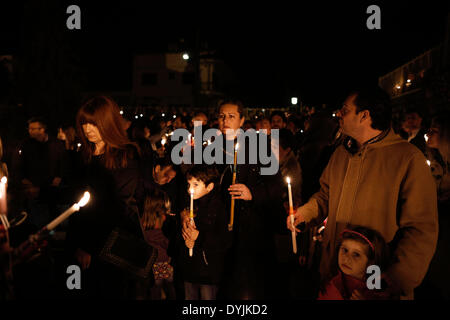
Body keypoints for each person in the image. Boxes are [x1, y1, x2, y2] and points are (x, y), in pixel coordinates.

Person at [288, 86, 438, 299]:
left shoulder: (407, 159)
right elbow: (325, 195)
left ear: (364, 115)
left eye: (345, 110)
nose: (339, 114)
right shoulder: (341, 153)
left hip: (375, 282)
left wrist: (391, 281)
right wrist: (306, 213)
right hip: (334, 274)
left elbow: (420, 230)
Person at [183, 99, 284, 299]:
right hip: (215, 228)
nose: (225, 120)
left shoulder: (259, 148)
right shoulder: (210, 148)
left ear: (241, 120)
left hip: (248, 229)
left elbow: (277, 185)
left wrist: (252, 193)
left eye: (231, 116)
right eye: (221, 116)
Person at [65, 95, 143, 298]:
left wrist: (88, 245)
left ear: (107, 123)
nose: (88, 129)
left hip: (111, 246)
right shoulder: (84, 155)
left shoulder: (125, 155)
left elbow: (117, 206)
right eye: (84, 123)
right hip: (80, 240)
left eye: (94, 123)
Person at [181, 165, 232, 300]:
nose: (190, 189)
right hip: (189, 268)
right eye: (189, 184)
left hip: (207, 271)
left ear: (209, 187)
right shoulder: (189, 205)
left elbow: (224, 241)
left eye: (196, 184)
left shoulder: (219, 208)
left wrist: (199, 236)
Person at [318, 225, 398, 300]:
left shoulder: (381, 289)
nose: (346, 258)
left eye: (356, 254)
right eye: (345, 250)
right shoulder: (331, 283)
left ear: (371, 262)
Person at [16, 117, 65, 228]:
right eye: (29, 128)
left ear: (42, 129)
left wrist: (59, 177)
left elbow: (63, 162)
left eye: (33, 129)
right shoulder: (26, 145)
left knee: (54, 220)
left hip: (53, 189)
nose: (30, 131)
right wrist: (24, 179)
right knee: (37, 221)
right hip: (34, 188)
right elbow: (20, 164)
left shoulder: (56, 144)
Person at [140, 188, 176, 300]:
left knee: (154, 290)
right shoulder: (161, 219)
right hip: (164, 261)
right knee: (168, 289)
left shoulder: (142, 220)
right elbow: (164, 241)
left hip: (150, 263)